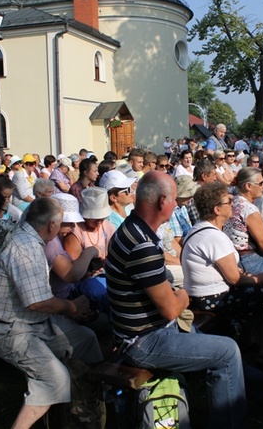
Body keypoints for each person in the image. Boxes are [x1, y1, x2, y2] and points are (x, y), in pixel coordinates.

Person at [105, 171, 247, 428]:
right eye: (174, 200)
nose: (178, 204)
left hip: (144, 333)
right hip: (144, 341)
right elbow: (171, 309)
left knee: (228, 352)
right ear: (162, 201)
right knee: (227, 352)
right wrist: (183, 294)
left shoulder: (133, 230)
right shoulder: (142, 245)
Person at [0, 197, 102, 429]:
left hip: (32, 323)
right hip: (7, 329)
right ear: (51, 226)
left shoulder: (31, 239)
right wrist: (73, 307)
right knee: (55, 378)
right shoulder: (24, 247)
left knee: (86, 340)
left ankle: (87, 406)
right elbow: (36, 303)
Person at [182, 182, 263, 364]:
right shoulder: (213, 236)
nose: (233, 203)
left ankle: (247, 340)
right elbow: (234, 278)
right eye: (229, 201)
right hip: (211, 299)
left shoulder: (200, 229)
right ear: (217, 210)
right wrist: (259, 279)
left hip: (202, 295)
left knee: (255, 289)